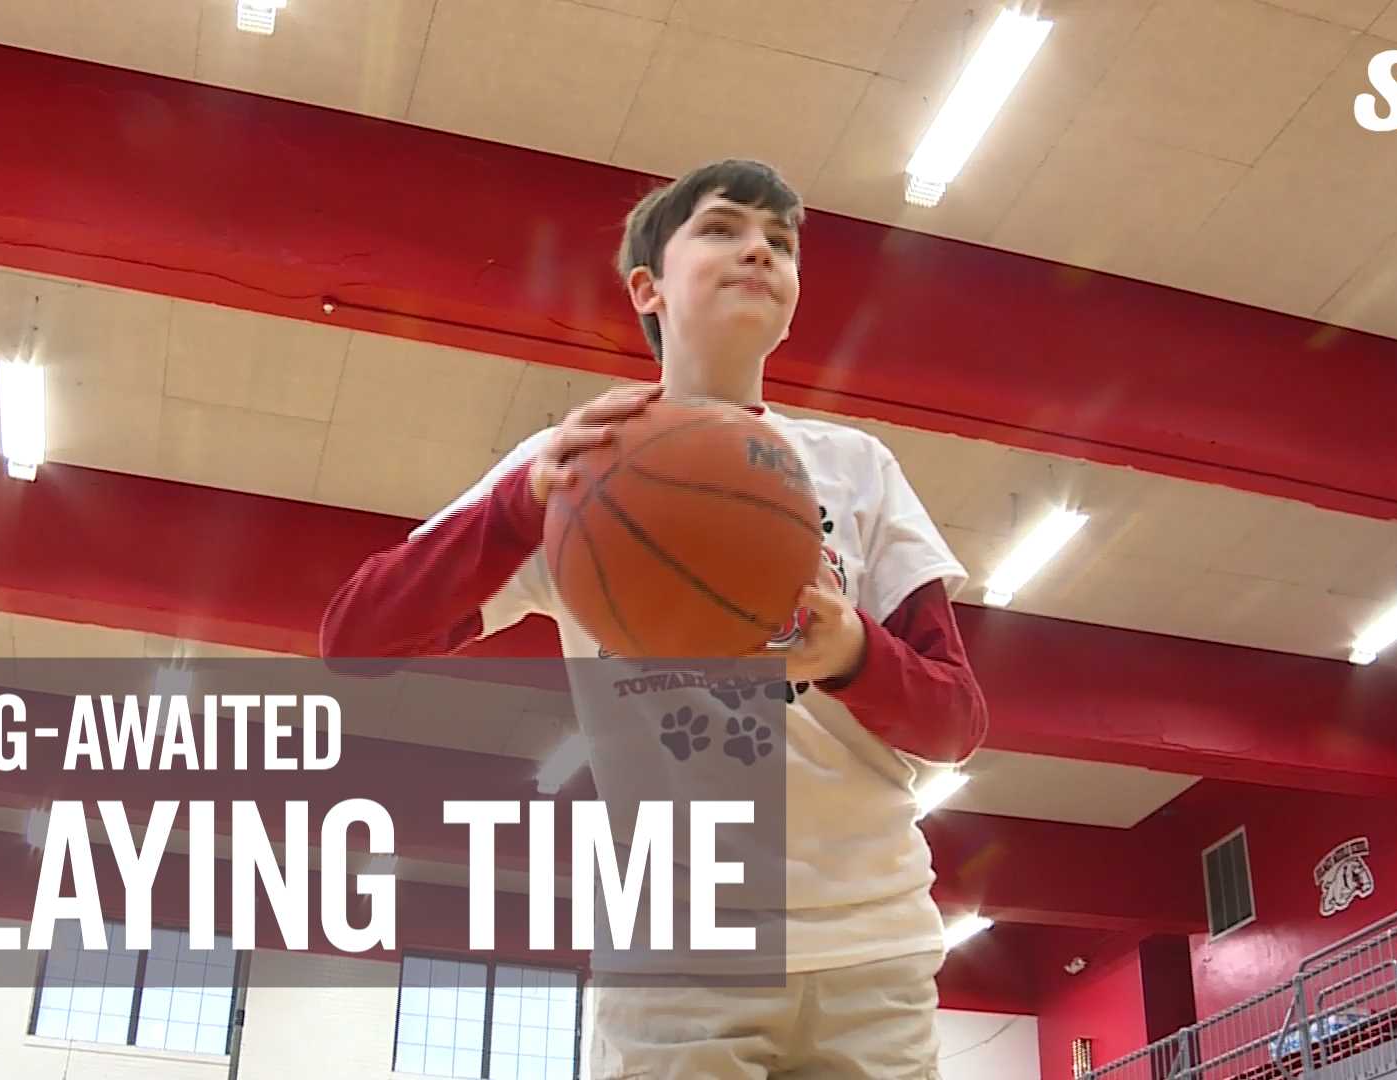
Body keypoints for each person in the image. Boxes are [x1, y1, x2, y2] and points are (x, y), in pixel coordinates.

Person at [321, 159, 988, 1079]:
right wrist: (518, 505)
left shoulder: (858, 467)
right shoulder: (572, 468)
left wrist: (853, 654)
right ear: (648, 286)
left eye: (782, 242)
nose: (759, 247)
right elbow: (355, 638)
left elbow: (956, 722)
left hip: (872, 944)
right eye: (722, 228)